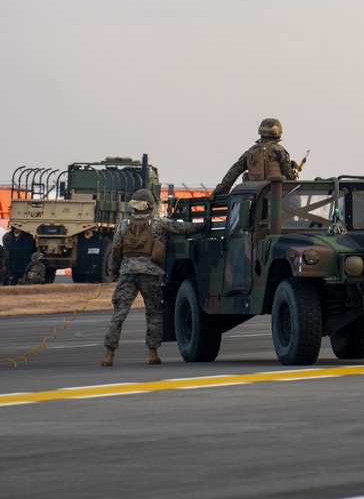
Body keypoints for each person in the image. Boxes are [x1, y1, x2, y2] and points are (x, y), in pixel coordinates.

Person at [101, 190, 202, 367]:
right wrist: (203, 225)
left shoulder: (123, 225)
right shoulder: (159, 224)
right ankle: (152, 354)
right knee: (154, 313)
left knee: (119, 314)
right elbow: (184, 229)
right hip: (151, 275)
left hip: (128, 275)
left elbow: (116, 250)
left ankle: (109, 354)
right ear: (150, 205)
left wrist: (113, 272)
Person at [213, 118, 300, 195]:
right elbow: (289, 178)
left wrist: (221, 190)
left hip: (254, 196)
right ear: (277, 132)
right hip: (275, 195)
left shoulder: (250, 151)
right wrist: (294, 169)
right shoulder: (279, 150)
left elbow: (234, 171)